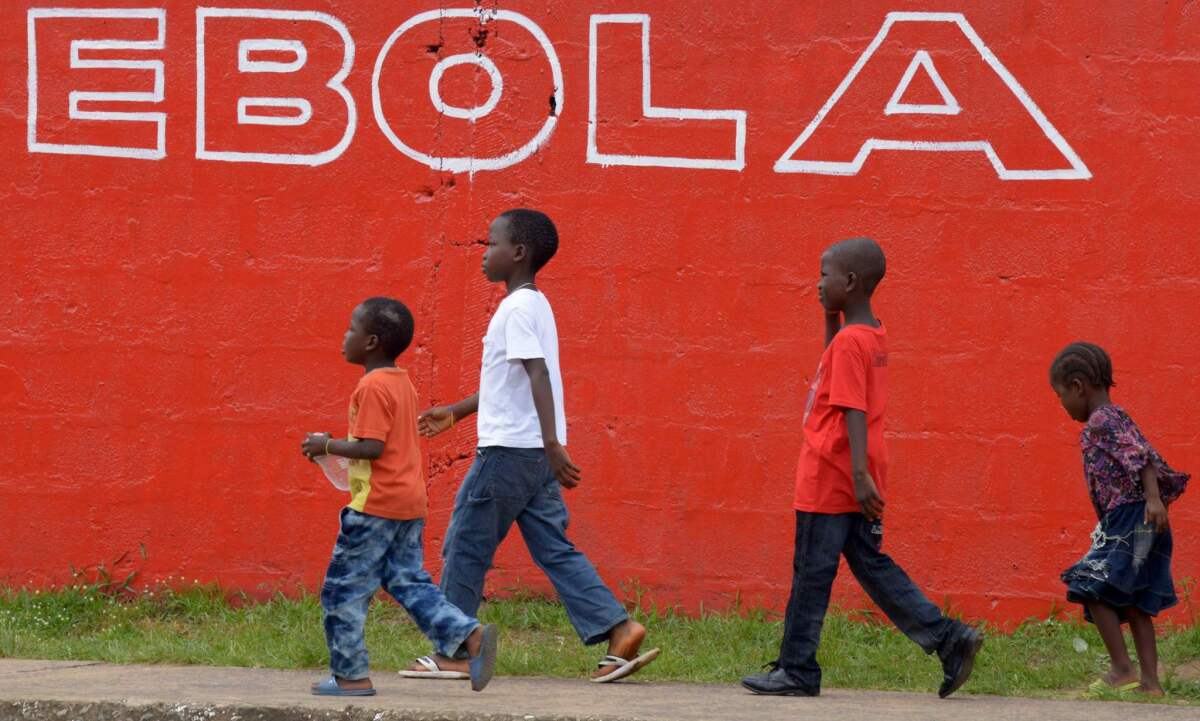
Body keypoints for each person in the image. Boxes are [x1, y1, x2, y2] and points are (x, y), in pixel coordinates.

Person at [403, 209, 658, 683]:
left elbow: (538, 374)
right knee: (553, 548)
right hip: (532, 456)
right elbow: (513, 379)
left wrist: (553, 442)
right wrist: (458, 411)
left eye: (491, 244)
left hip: (509, 453)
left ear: (517, 253)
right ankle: (619, 628)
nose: (484, 254)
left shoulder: (516, 309)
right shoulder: (536, 305)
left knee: (464, 546)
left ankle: (455, 650)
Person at [741, 237, 982, 698]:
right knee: (871, 565)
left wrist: (854, 474)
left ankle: (797, 669)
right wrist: (829, 316)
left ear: (849, 282)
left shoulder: (852, 342)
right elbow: (841, 369)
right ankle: (949, 639)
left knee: (811, 571)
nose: (817, 283)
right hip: (858, 470)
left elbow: (850, 406)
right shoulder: (869, 334)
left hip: (831, 473)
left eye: (824, 274)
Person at [301, 297, 498, 696]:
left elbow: (371, 447)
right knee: (408, 582)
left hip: (375, 507)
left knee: (343, 591)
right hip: (409, 504)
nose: (345, 335)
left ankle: (350, 676)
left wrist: (327, 445)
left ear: (371, 341)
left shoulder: (371, 387)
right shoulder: (402, 382)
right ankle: (469, 636)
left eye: (351, 328)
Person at [1050, 341, 1189, 696]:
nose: (1062, 404)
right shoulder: (1116, 416)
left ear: (1079, 386)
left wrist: (1154, 500)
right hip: (1139, 518)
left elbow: (1141, 457)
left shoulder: (1100, 423)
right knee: (1134, 599)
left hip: (1130, 518)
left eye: (1061, 394)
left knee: (1088, 584)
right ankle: (1151, 683)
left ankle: (1122, 668)